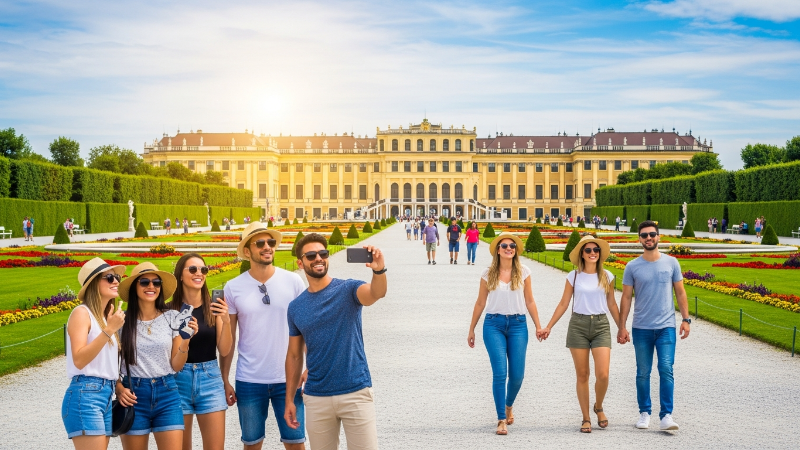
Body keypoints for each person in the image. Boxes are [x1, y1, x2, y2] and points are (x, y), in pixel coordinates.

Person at [285, 233, 388, 449]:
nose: (318, 259)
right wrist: (289, 399)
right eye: (311, 255)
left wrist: (379, 270)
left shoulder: (348, 289)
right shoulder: (296, 307)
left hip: (355, 392)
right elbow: (294, 355)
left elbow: (376, 293)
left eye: (322, 253)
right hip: (317, 396)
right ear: (300, 263)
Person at [220, 222, 307, 450]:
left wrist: (312, 368)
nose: (267, 247)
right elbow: (229, 337)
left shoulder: (294, 281)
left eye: (271, 242)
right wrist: (224, 378)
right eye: (260, 243)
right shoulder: (233, 287)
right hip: (250, 380)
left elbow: (308, 328)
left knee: (296, 443)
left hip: (290, 378)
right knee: (251, 444)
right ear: (247, 251)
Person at [539, 236, 621, 433]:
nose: (593, 253)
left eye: (596, 250)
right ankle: (586, 418)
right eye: (588, 250)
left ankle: (598, 406)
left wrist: (622, 327)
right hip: (578, 325)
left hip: (601, 325)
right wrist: (548, 326)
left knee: (603, 374)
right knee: (582, 374)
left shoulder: (607, 276)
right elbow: (563, 303)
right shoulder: (573, 276)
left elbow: (611, 304)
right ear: (582, 255)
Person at [467, 232, 543, 435]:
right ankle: (501, 418)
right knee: (500, 373)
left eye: (512, 246)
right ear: (498, 250)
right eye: (504, 246)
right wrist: (472, 328)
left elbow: (530, 301)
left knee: (517, 376)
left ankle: (509, 404)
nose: (509, 248)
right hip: (493, 325)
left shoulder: (524, 272)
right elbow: (480, 303)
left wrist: (538, 325)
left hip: (518, 324)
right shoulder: (487, 273)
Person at [617, 220, 690, 431]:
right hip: (641, 327)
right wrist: (622, 327)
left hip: (666, 326)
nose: (648, 238)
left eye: (652, 234)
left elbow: (680, 292)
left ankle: (666, 415)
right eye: (644, 235)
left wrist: (685, 319)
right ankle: (644, 412)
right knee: (642, 372)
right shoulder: (632, 266)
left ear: (658, 237)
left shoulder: (671, 263)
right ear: (639, 239)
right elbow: (626, 299)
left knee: (666, 369)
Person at [116, 262, 198, 449]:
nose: (151, 286)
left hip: (167, 391)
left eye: (156, 282)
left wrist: (186, 340)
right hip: (133, 394)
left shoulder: (171, 317)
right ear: (134, 286)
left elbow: (176, 365)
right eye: (144, 282)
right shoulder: (122, 321)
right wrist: (118, 387)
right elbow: (110, 363)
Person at [62, 258, 127, 448]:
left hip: (105, 395)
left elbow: (106, 363)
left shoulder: (105, 317)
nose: (116, 281)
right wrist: (109, 330)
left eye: (116, 277)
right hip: (86, 394)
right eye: (109, 278)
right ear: (93, 284)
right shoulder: (81, 313)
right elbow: (79, 359)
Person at [171, 253, 233, 450]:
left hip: (210, 379)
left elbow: (224, 350)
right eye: (193, 269)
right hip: (177, 380)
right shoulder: (169, 311)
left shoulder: (213, 308)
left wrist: (226, 320)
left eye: (203, 270)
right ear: (180, 275)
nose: (199, 273)